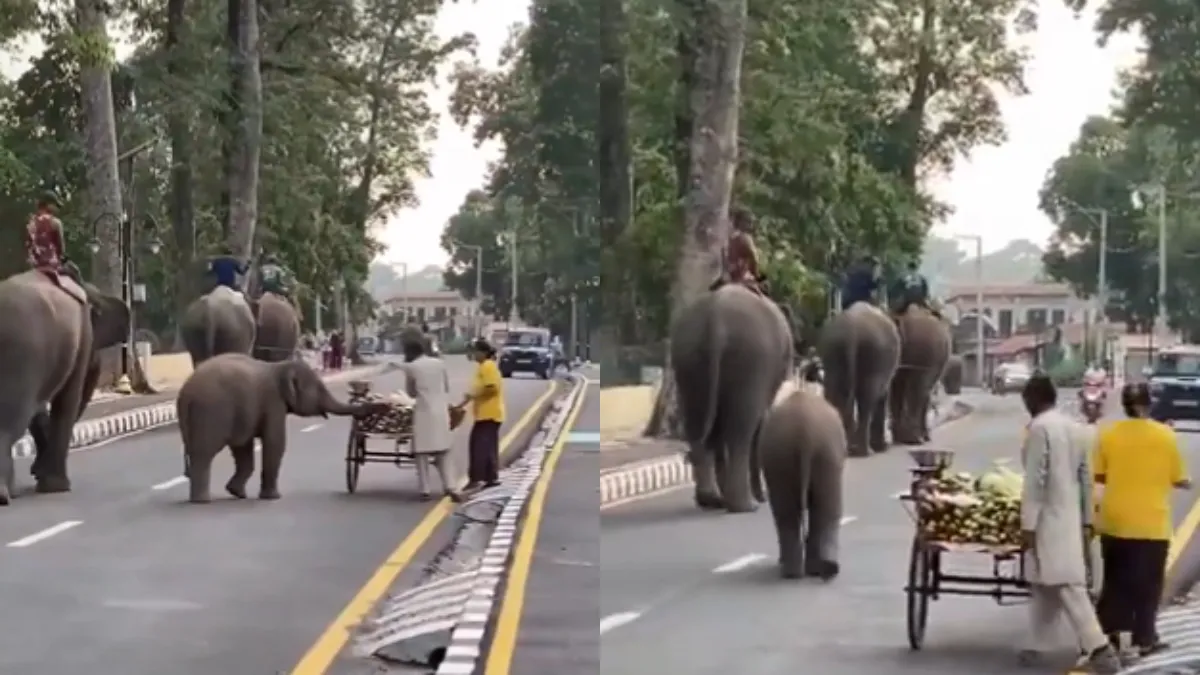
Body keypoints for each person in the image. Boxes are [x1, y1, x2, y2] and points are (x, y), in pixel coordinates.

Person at [1017, 373, 1121, 672]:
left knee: (1067, 585)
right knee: (1045, 582)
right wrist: (1088, 519)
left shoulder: (1039, 429)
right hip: (1069, 517)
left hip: (1047, 518)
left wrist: (1028, 524)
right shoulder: (1075, 428)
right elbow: (1085, 479)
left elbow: (1035, 481)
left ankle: (1099, 648)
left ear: (1032, 400)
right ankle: (1036, 645)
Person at [1093, 382, 1190, 657]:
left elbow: (1099, 476)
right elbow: (1180, 478)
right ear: (1150, 404)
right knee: (1148, 584)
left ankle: (1110, 635)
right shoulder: (1165, 436)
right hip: (1151, 524)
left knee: (1115, 580)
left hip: (1114, 521)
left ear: (1124, 405)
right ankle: (1144, 638)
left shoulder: (1107, 434)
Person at [400, 332, 461, 503]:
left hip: (423, 412)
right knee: (444, 450)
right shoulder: (439, 364)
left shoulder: (411, 368)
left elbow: (411, 392)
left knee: (422, 453)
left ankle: (425, 489)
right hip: (441, 411)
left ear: (410, 353)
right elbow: (446, 387)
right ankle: (450, 486)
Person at [458, 337, 505, 491]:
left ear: (483, 352)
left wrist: (474, 394)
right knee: (488, 447)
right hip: (489, 414)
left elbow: (492, 388)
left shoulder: (487, 366)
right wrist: (462, 404)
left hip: (488, 414)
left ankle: (476, 479)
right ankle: (491, 478)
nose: (473, 354)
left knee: (478, 447)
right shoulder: (484, 366)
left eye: (475, 351)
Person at [710, 207, 764, 294]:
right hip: (742, 277)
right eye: (748, 222)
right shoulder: (746, 238)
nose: (750, 225)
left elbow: (724, 258)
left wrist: (725, 273)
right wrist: (757, 276)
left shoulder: (728, 238)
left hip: (727, 277)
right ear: (740, 222)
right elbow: (754, 259)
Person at [25, 192, 67, 277]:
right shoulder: (56, 222)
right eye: (55, 205)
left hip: (32, 264)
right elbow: (61, 249)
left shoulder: (30, 222)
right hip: (51, 264)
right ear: (48, 205)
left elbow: (27, 244)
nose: (56, 209)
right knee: (74, 272)